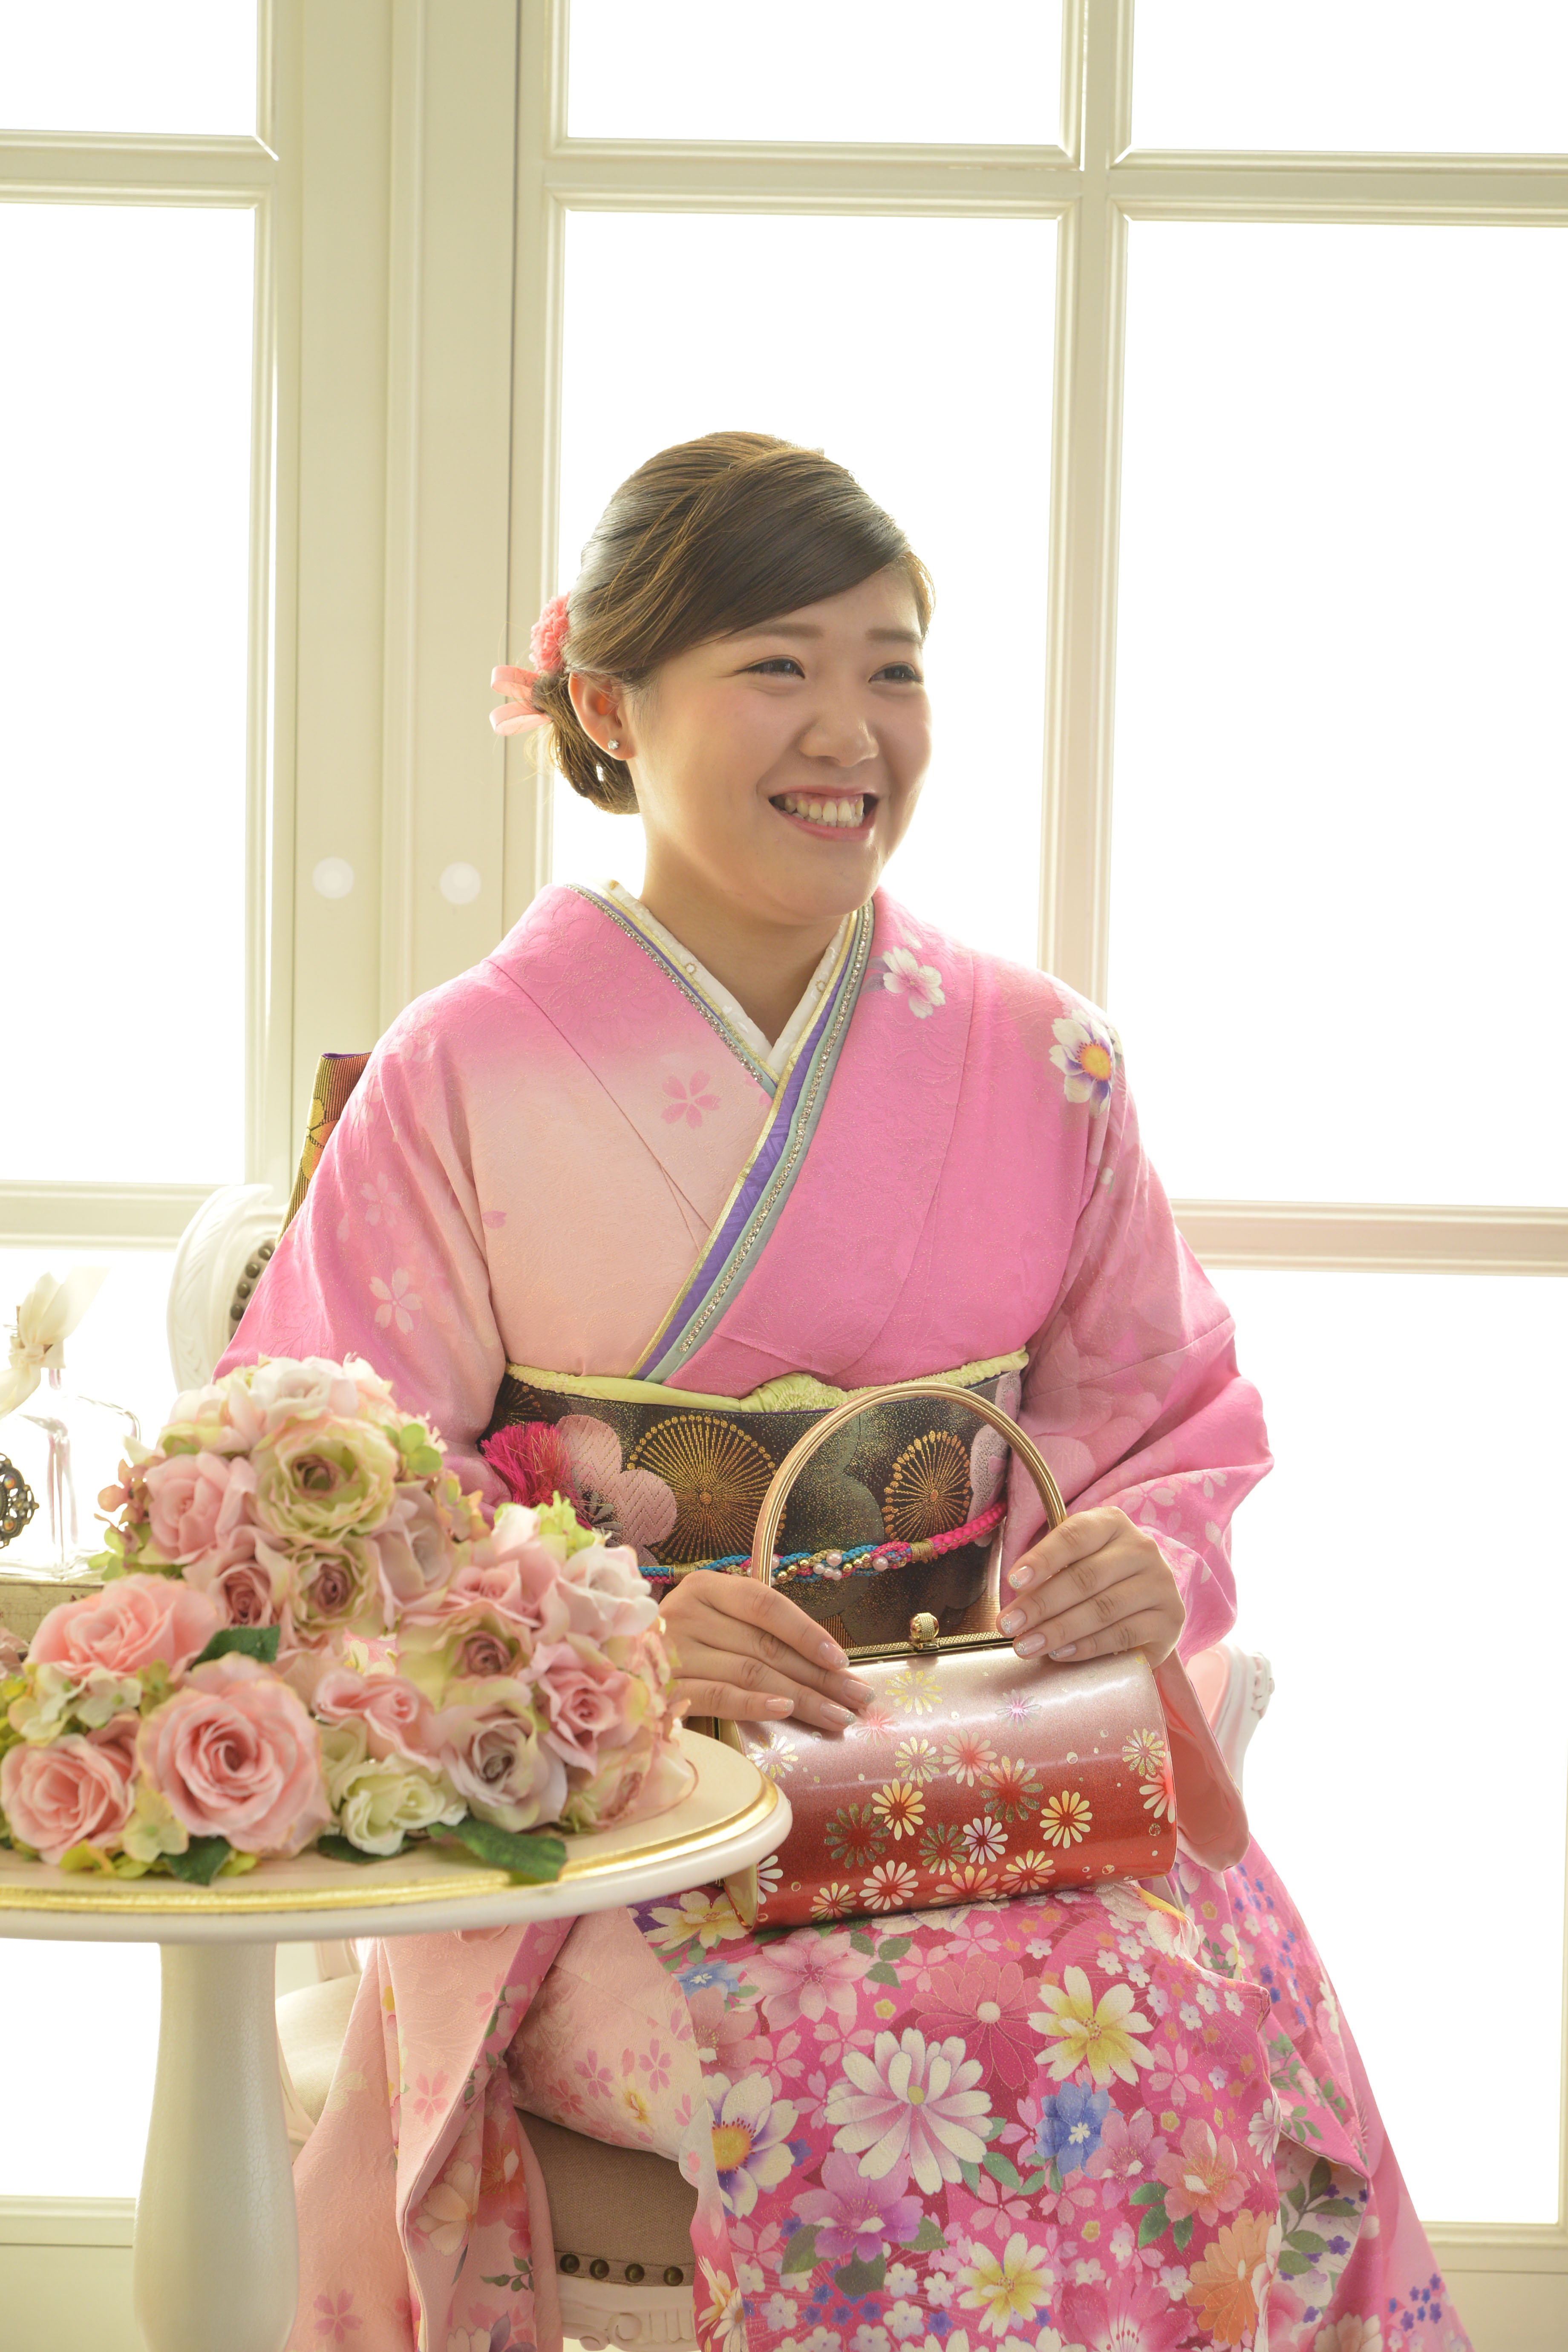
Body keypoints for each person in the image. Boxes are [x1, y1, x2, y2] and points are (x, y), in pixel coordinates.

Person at [225, 433, 1467, 2352]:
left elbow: (1166, 1412)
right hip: (636, 1828)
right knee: (921, 2079)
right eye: (778, 667)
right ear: (611, 706)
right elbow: (329, 1482)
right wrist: (613, 1636)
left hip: (990, 1779)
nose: (851, 731)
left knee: (1204, 2021)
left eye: (892, 669)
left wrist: (1126, 1559)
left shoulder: (1039, 1055)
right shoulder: (461, 1070)